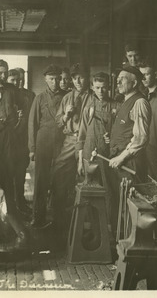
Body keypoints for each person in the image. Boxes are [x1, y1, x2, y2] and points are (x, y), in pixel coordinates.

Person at [108, 65, 151, 234]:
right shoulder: (125, 101)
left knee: (129, 205)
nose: (118, 81)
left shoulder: (140, 102)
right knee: (119, 204)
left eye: (123, 78)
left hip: (130, 163)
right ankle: (119, 243)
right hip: (120, 162)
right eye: (118, 78)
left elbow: (140, 138)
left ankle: (129, 245)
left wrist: (121, 157)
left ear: (134, 83)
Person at [52, 63, 91, 234]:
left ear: (87, 78)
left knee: (86, 176)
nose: (78, 81)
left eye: (81, 77)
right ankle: (59, 219)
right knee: (59, 173)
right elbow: (58, 122)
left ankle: (84, 221)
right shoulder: (67, 97)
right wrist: (66, 115)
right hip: (69, 140)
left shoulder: (93, 97)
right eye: (75, 78)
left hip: (87, 141)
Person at [77, 71, 119, 222]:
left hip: (107, 156)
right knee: (89, 190)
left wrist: (111, 138)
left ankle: (106, 226)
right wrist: (80, 160)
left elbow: (119, 134)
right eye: (97, 87)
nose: (101, 91)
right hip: (89, 154)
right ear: (93, 87)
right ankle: (90, 225)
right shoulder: (88, 107)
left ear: (109, 88)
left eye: (104, 88)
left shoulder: (115, 106)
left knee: (108, 191)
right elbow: (81, 135)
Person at [28, 64, 67, 228]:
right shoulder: (39, 98)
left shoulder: (67, 97)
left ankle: (58, 218)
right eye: (52, 79)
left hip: (62, 143)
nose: (55, 82)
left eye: (58, 79)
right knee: (41, 181)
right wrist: (31, 148)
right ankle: (38, 217)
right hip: (43, 142)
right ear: (46, 80)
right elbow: (32, 123)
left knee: (60, 180)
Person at [0, 60, 21, 213]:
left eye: (5, 72)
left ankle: (11, 209)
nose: (3, 75)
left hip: (10, 135)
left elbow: (21, 109)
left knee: (9, 170)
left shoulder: (13, 90)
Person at [6, 68, 35, 215]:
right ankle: (9, 206)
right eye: (13, 80)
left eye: (20, 80)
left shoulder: (29, 95)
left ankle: (21, 202)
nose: (17, 83)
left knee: (20, 172)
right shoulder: (4, 94)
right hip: (7, 141)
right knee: (7, 174)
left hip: (23, 140)